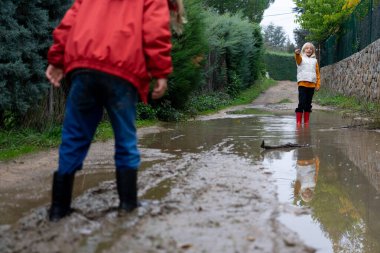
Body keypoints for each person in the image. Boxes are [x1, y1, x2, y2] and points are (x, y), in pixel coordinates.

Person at [45, 0, 185, 222]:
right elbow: (155, 32)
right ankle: (128, 206)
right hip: (123, 70)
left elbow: (69, 23)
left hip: (84, 67)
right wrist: (160, 72)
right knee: (125, 140)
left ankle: (58, 209)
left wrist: (56, 59)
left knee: (73, 137)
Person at [294, 42, 320, 126]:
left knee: (308, 104)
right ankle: (298, 122)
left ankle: (306, 122)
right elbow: (298, 61)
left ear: (313, 51)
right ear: (303, 50)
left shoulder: (315, 61)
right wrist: (297, 54)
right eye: (307, 48)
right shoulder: (300, 58)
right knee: (302, 102)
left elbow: (317, 74)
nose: (309, 49)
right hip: (302, 84)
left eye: (311, 48)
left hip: (311, 85)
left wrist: (318, 84)